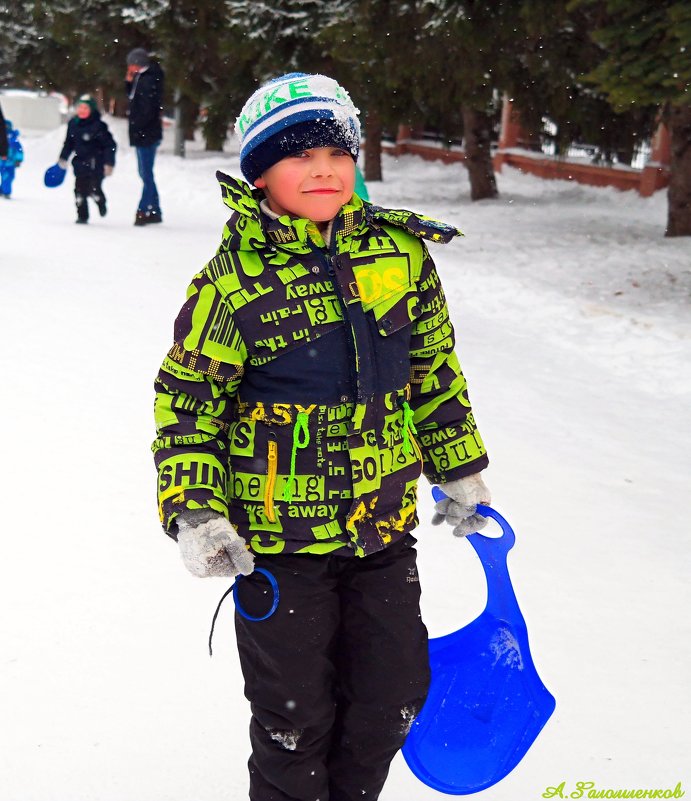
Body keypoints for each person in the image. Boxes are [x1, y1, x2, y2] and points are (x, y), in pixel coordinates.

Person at [152, 72, 491, 801]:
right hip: (275, 545)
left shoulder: (400, 257)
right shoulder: (231, 282)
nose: (324, 170)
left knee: (391, 698)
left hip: (381, 530)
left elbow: (433, 372)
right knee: (294, 720)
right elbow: (187, 406)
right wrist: (195, 510)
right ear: (260, 173)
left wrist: (459, 471)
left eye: (337, 154)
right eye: (299, 155)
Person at [58, 94, 116, 224]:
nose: (82, 110)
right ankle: (82, 215)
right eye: (80, 107)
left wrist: (109, 163)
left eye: (85, 108)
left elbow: (109, 145)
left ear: (91, 110)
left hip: (96, 163)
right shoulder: (73, 124)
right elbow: (69, 143)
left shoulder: (98, 126)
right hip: (80, 162)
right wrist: (63, 158)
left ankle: (100, 200)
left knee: (93, 187)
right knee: (79, 190)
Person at [125, 47, 164, 226]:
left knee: (145, 173)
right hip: (144, 133)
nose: (130, 67)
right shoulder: (142, 77)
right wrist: (128, 82)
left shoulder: (148, 80)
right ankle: (155, 210)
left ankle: (143, 209)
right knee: (145, 173)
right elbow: (133, 98)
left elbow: (146, 109)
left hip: (146, 134)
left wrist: (138, 128)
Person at [0, 117, 23, 198]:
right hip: (3, 163)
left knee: (8, 177)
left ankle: (2, 190)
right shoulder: (7, 138)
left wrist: (18, 160)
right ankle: (6, 192)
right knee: (7, 177)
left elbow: (19, 151)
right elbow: (19, 151)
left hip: (10, 163)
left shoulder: (13, 139)